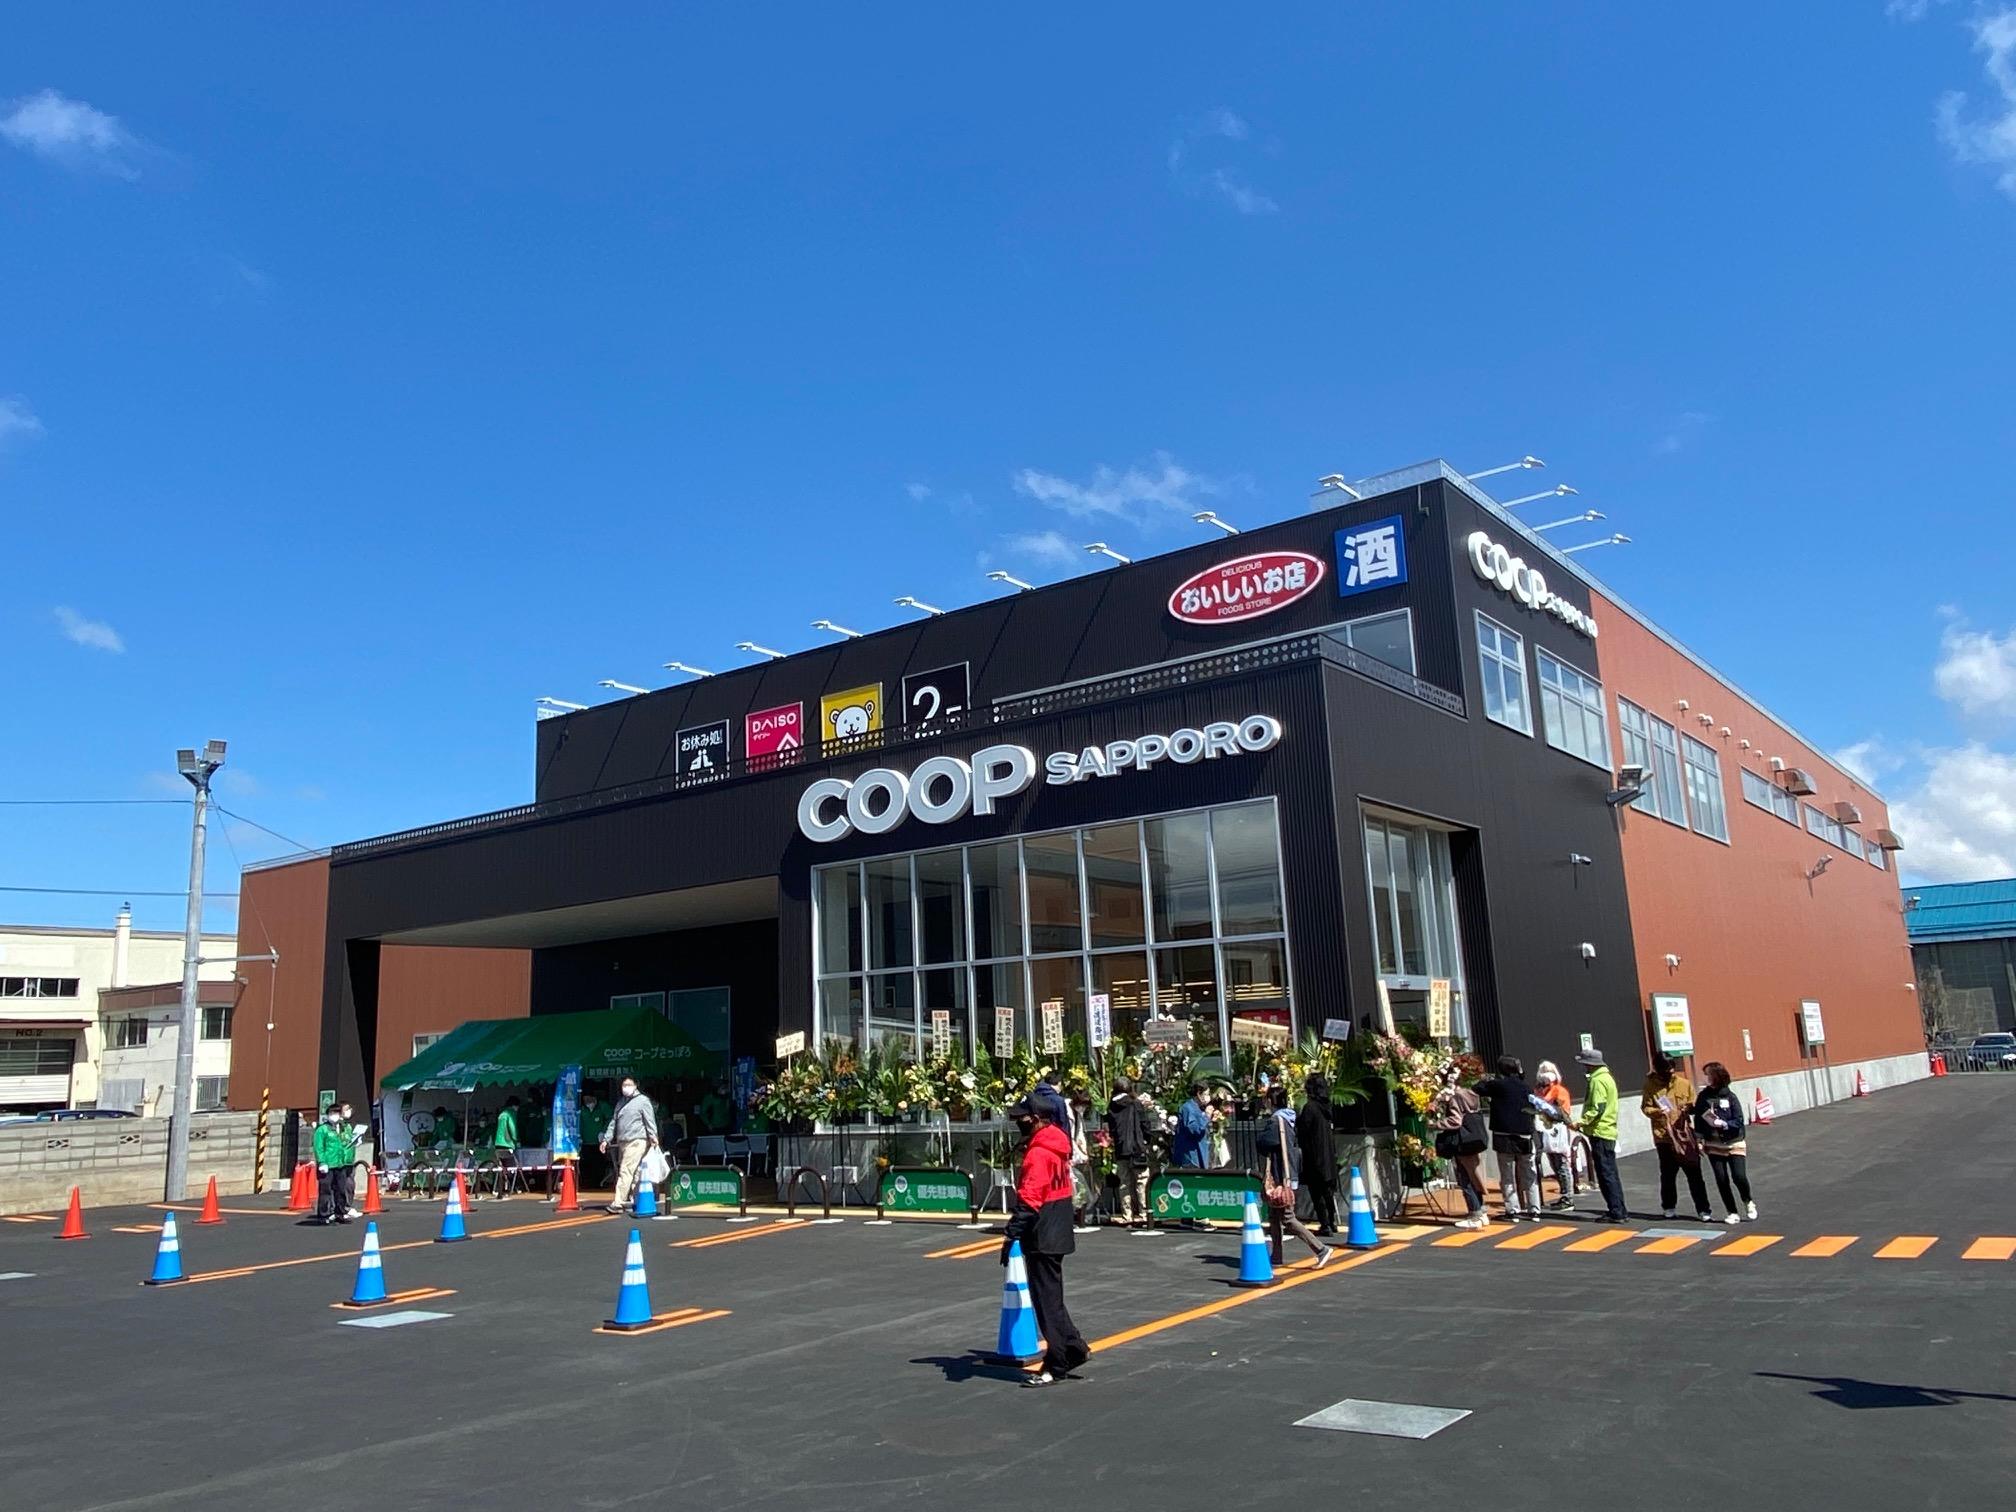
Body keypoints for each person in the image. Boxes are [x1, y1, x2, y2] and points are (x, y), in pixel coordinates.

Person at [1003, 1096, 1089, 1387]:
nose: (1019, 1122)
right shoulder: (1056, 1144)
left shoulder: (1039, 1153)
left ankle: (1057, 1363)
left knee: (1046, 1302)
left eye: (1023, 1117)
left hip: (1043, 1232)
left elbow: (1030, 1200)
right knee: (1052, 1297)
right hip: (1058, 1226)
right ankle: (1073, 1347)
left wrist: (1012, 1232)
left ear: (1037, 1119)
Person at [1257, 1086, 1335, 1267]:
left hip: (1280, 1176)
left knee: (1287, 1217)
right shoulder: (1290, 1119)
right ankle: (1276, 1256)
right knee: (1274, 1216)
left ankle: (1321, 1249)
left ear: (1271, 1101)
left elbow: (1262, 1143)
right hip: (1289, 1173)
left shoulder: (1276, 1122)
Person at [1642, 1051, 1712, 1221]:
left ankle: (1703, 1210)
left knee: (1694, 1174)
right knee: (1668, 1174)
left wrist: (1688, 1108)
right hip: (1664, 1136)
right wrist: (1658, 1111)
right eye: (1666, 1069)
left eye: (1672, 1068)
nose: (1670, 1072)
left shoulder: (1684, 1084)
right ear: (1658, 1069)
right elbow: (1645, 1108)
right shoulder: (1650, 1085)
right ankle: (1668, 1207)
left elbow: (1694, 1105)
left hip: (1684, 1136)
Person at [1473, 1056, 1541, 1221]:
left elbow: (1478, 1088)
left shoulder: (1497, 1085)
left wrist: (1486, 1079)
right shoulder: (1525, 1086)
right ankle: (1534, 1209)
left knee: (1507, 1174)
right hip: (1524, 1133)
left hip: (1503, 1134)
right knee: (1529, 1172)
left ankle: (1512, 1210)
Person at [1692, 1061, 1757, 1224]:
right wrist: (1699, 1139)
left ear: (1717, 1076)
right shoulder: (1703, 1097)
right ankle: (1732, 1211)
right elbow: (1699, 1119)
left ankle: (1748, 1200)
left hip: (1734, 1142)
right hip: (1713, 1144)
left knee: (1739, 1176)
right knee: (1721, 1179)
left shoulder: (1730, 1096)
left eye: (1708, 1074)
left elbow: (1739, 1120)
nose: (1705, 1078)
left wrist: (1725, 1124)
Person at [1428, 1063, 1490, 1230]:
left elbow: (1455, 1121)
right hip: (1474, 1139)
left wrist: (1436, 1124)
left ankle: (1474, 1214)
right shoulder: (1472, 1094)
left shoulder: (1456, 1097)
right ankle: (1481, 1211)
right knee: (1474, 1176)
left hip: (1462, 1141)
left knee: (1465, 1178)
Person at [1574, 1048, 1629, 1221]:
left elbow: (1597, 1108)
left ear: (1589, 1064)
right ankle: (1620, 1209)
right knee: (1611, 1173)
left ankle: (1616, 1211)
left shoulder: (1597, 1081)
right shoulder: (1607, 1077)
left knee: (1605, 1174)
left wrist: (1581, 1122)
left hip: (1600, 1131)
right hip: (1608, 1130)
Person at [601, 1077, 659, 1215]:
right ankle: (635, 1200)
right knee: (635, 1172)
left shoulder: (643, 1101)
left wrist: (653, 1136)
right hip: (623, 1142)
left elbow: (649, 1120)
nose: (625, 1087)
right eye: (624, 1085)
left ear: (635, 1085)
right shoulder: (620, 1103)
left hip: (637, 1140)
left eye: (629, 1084)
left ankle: (618, 1202)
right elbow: (614, 1122)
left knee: (626, 1171)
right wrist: (606, 1139)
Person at [1296, 1074, 1341, 1236]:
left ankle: (1325, 1224)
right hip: (1328, 1155)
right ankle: (1332, 1221)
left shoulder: (1310, 1108)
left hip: (1314, 1155)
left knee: (1316, 1192)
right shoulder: (1326, 1107)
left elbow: (1303, 1131)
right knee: (1328, 1191)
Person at [1105, 1077, 1152, 1228]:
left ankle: (1127, 1215)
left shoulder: (1112, 1106)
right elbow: (1145, 1125)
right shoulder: (1135, 1103)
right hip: (1137, 1148)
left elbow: (1112, 1129)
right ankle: (1144, 1214)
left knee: (1124, 1183)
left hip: (1121, 1149)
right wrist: (1146, 1140)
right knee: (1142, 1181)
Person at [1534, 1062, 1576, 1210]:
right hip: (1544, 1129)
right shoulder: (1540, 1090)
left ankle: (1568, 1198)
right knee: (1554, 1164)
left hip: (1558, 1131)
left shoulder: (1559, 1090)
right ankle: (1564, 1195)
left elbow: (1563, 1112)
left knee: (1562, 1163)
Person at [312, 1106, 351, 1225]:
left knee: (341, 1190)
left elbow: (345, 1144)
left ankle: (340, 1213)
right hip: (327, 1165)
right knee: (325, 1191)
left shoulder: (342, 1128)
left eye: (337, 1112)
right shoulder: (322, 1129)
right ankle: (323, 1215)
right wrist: (321, 1161)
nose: (334, 1115)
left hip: (340, 1164)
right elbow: (318, 1147)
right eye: (332, 1113)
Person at [1170, 1082, 1211, 1169]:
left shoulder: (1198, 1108)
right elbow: (1194, 1129)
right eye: (1206, 1094)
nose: (1208, 1097)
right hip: (1191, 1157)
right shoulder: (1188, 1108)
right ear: (1199, 1094)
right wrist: (1206, 1117)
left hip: (1199, 1154)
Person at [579, 1091, 612, 1190]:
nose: (587, 1101)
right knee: (585, 1164)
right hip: (585, 1142)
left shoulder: (603, 1106)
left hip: (599, 1142)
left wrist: (603, 1132)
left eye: (589, 1099)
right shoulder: (581, 1109)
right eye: (585, 1100)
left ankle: (598, 1184)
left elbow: (611, 1119)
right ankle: (586, 1184)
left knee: (599, 1164)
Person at [336, 1102, 364, 1218]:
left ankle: (347, 1206)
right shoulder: (337, 1126)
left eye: (350, 1109)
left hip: (349, 1159)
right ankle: (340, 1209)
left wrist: (356, 1140)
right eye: (347, 1109)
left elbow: (348, 1140)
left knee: (349, 1185)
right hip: (339, 1160)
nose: (349, 1111)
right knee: (340, 1186)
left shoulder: (348, 1126)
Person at [491, 1096, 521, 1199]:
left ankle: (497, 1188)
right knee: (511, 1168)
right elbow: (512, 1128)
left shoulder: (502, 1114)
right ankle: (514, 1188)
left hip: (498, 1143)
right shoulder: (510, 1113)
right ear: (515, 1105)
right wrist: (516, 1139)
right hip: (507, 1144)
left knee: (501, 1167)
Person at [1205, 1090, 1233, 1170]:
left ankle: (1216, 1163)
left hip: (1218, 1135)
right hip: (1213, 1137)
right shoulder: (1213, 1109)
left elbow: (1226, 1124)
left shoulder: (1222, 1116)